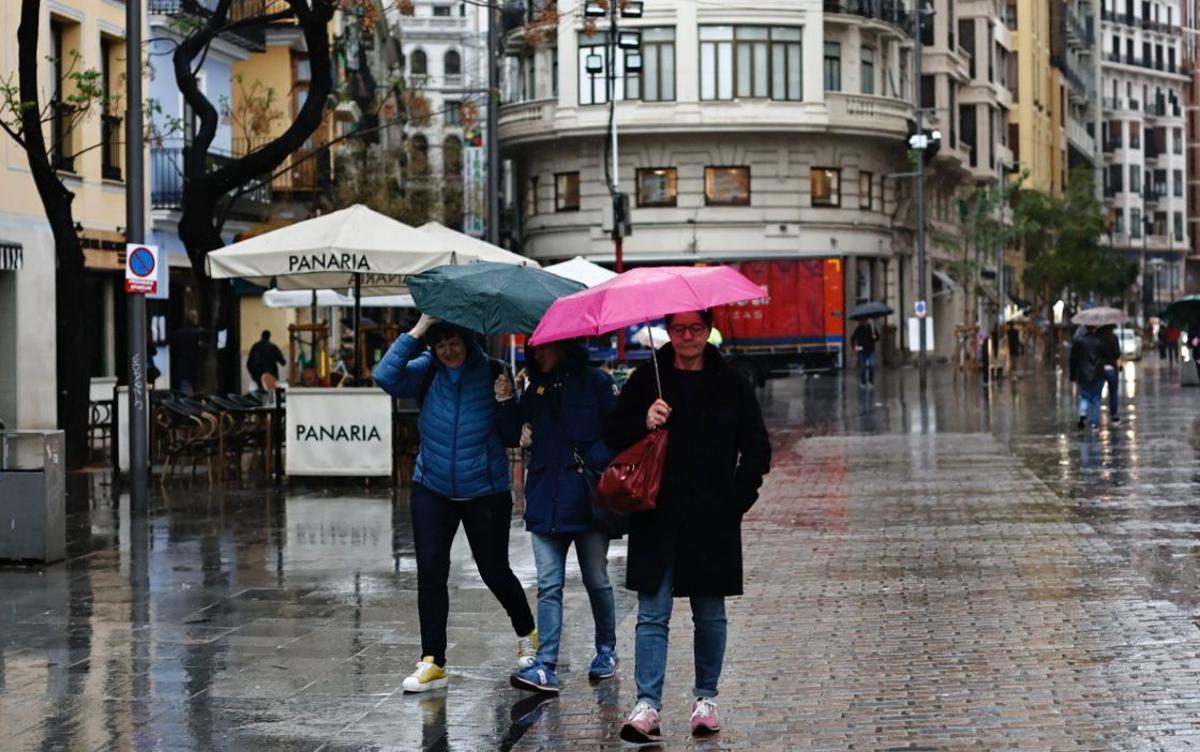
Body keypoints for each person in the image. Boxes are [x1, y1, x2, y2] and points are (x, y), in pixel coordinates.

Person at [604, 309, 772, 743]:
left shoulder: (732, 383)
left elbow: (757, 448)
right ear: (667, 331)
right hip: (656, 512)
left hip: (711, 516)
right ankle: (647, 705)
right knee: (652, 613)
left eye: (696, 328)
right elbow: (613, 436)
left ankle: (706, 700)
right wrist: (645, 420)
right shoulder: (647, 380)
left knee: (710, 613)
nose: (687, 337)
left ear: (708, 329)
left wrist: (736, 501)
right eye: (678, 328)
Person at [373, 313, 537, 693]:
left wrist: (505, 400)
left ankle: (527, 632)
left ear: (469, 341)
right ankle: (433, 661)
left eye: (454, 342)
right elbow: (385, 376)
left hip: (485, 490)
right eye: (440, 343)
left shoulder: (495, 370)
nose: (448, 350)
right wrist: (416, 332)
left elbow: (512, 435)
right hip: (432, 488)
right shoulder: (426, 369)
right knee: (431, 572)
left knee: (494, 571)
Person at [509, 340, 620, 694]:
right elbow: (513, 430)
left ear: (565, 346)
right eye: (533, 349)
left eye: (543, 348)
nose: (537, 354)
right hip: (545, 498)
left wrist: (594, 463)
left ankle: (606, 649)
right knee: (549, 585)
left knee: (596, 579)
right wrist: (506, 402)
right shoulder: (535, 388)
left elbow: (618, 432)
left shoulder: (597, 384)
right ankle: (546, 664)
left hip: (586, 498)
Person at [1070, 325, 1106, 430]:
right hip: (1098, 374)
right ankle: (1094, 424)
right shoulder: (1100, 342)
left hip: (1083, 374)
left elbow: (1073, 359)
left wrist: (1073, 375)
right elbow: (1105, 357)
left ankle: (1082, 414)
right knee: (1095, 399)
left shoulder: (1079, 341)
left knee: (1084, 396)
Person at [170, 311, 206, 394]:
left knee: (184, 387)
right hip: (194, 365)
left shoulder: (178, 334)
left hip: (181, 364)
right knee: (195, 388)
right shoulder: (198, 334)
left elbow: (174, 351)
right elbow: (201, 350)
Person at [1098, 325, 1122, 424]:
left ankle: (1095, 417)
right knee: (1113, 392)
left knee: (1097, 394)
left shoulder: (1097, 338)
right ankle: (1114, 416)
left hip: (1100, 368)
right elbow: (1117, 353)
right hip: (1112, 367)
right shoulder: (1114, 338)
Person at [850, 319, 879, 387]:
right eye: (862, 321)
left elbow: (878, 337)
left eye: (865, 320)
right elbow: (853, 338)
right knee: (862, 367)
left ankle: (871, 382)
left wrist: (874, 337)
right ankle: (863, 382)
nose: (864, 322)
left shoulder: (872, 328)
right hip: (862, 350)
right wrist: (854, 347)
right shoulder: (859, 328)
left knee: (871, 365)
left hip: (871, 350)